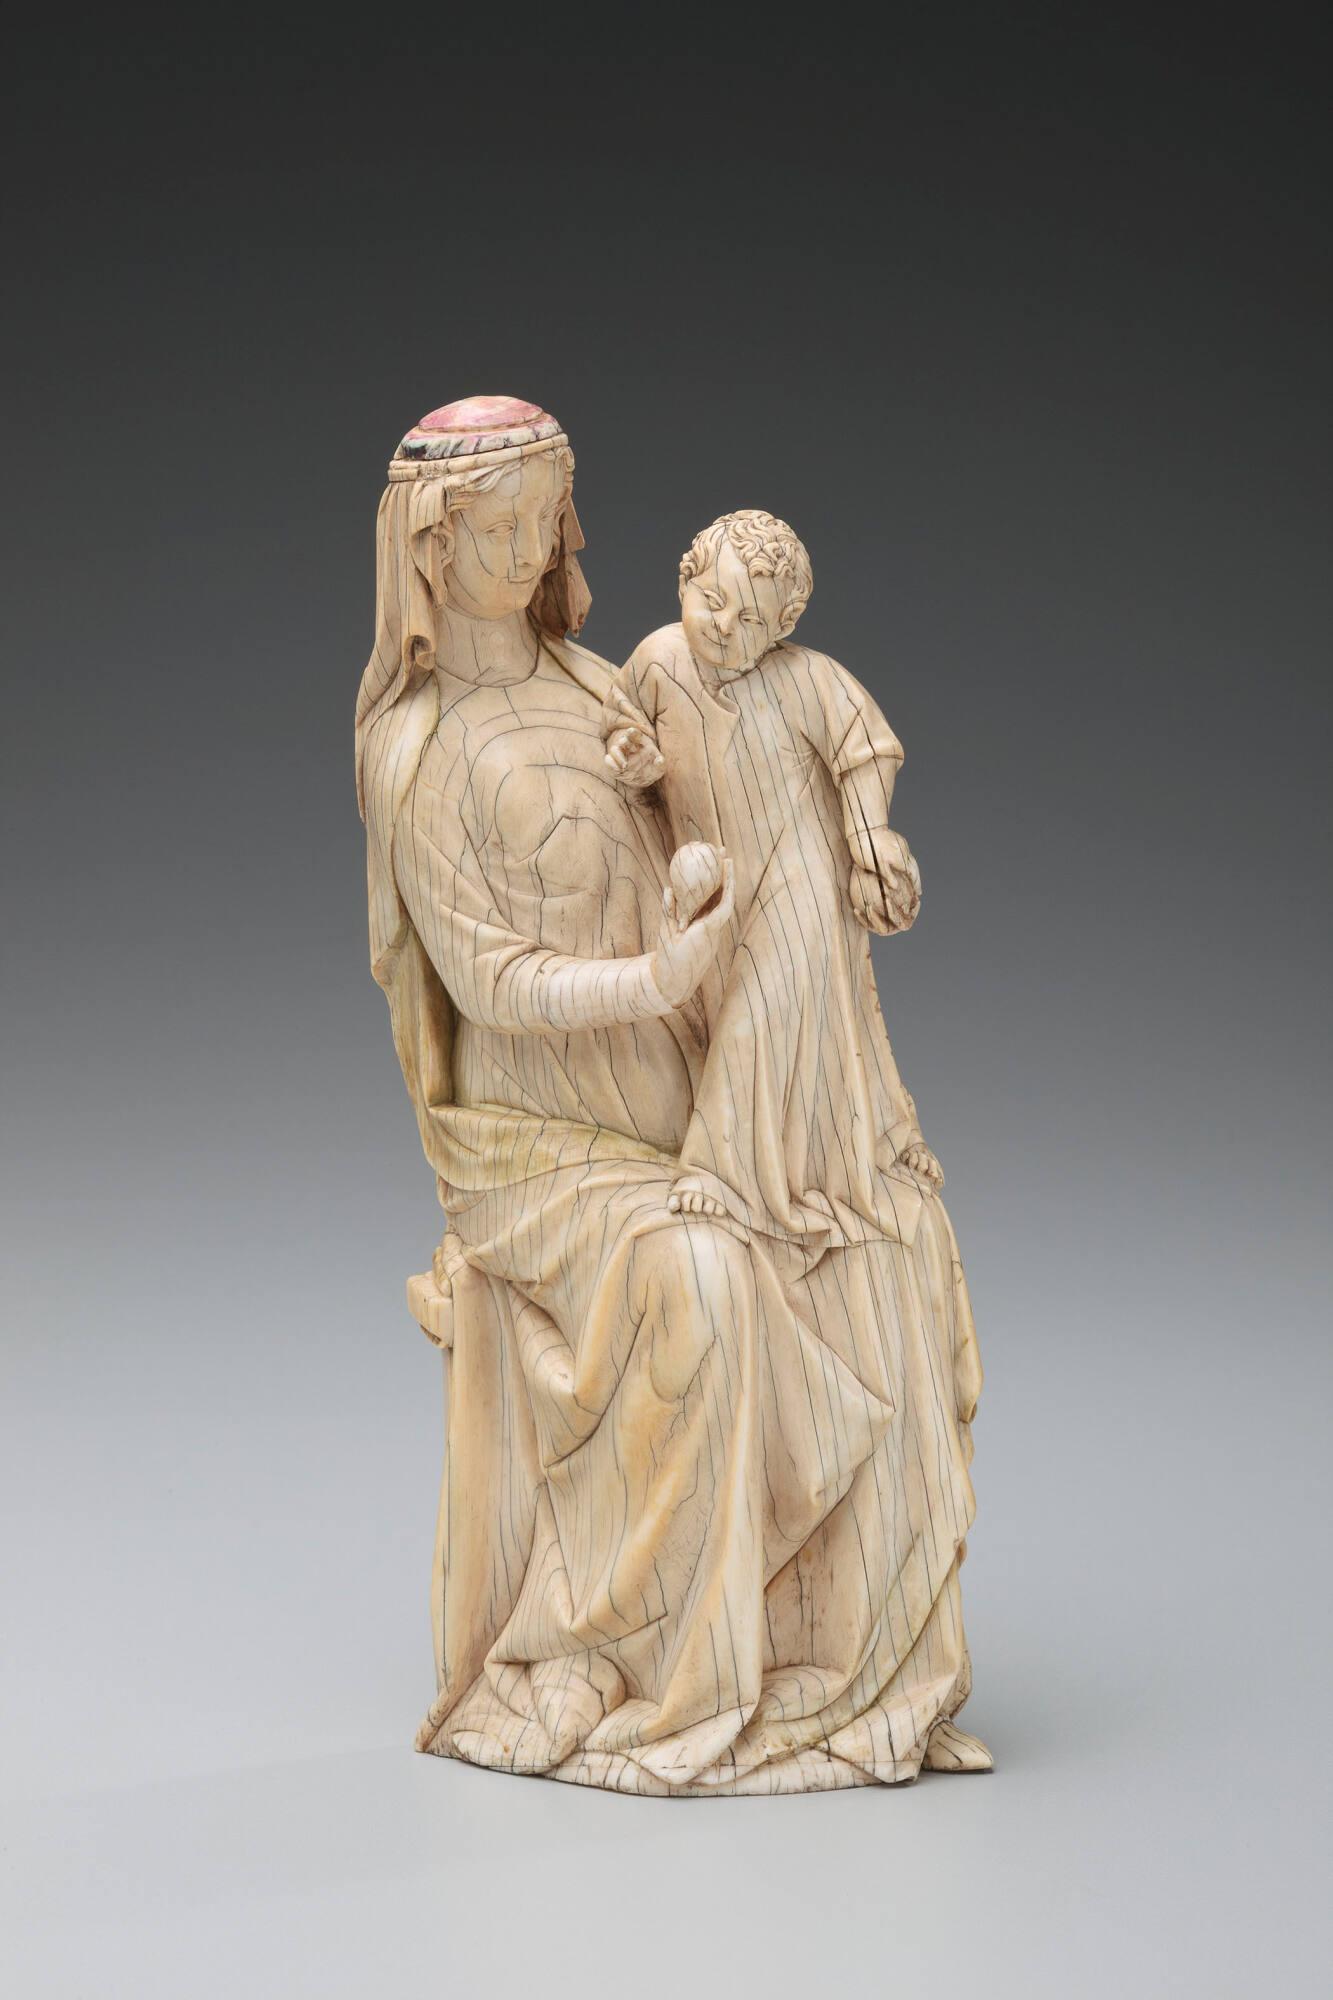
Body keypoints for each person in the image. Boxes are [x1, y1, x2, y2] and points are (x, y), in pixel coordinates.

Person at [357, 399, 989, 1792]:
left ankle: (861, 1672)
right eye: (500, 529)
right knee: (705, 1274)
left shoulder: (606, 685)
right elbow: (490, 982)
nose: (532, 553)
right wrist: (654, 976)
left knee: (886, 1243)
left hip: (692, 1090)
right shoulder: (416, 746)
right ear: (428, 545)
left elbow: (743, 817)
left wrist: (834, 875)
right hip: (536, 1144)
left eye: (547, 523)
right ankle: (660, 1663)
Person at [604, 509, 941, 1246]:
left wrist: (867, 835)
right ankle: (870, 1138)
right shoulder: (658, 660)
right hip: (716, 883)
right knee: (781, 1019)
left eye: (752, 619)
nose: (724, 626)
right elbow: (621, 723)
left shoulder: (808, 677)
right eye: (712, 601)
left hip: (800, 873)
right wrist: (633, 756)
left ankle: (720, 1171)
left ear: (782, 626)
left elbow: (865, 750)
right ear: (684, 582)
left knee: (772, 1007)